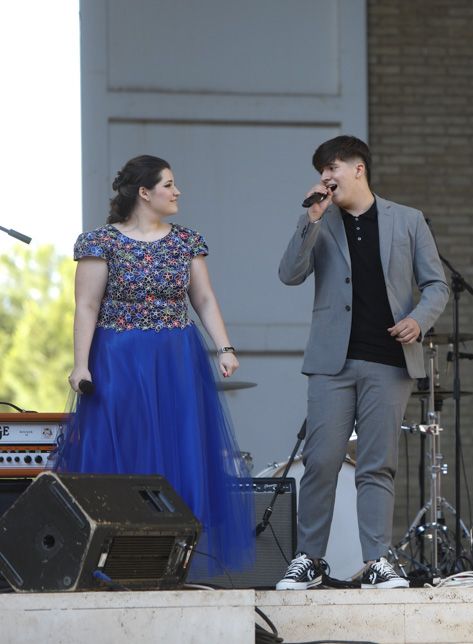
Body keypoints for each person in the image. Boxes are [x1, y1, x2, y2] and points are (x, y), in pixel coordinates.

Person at [56, 155, 254, 579]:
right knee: (124, 450)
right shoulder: (99, 242)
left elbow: (203, 300)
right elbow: (86, 306)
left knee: (179, 449)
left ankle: (171, 562)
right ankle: (117, 559)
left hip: (175, 358)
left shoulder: (187, 241)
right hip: (118, 358)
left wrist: (225, 348)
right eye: (168, 184)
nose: (176, 191)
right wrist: (81, 365)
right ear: (144, 193)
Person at [276, 135, 448, 590]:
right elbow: (289, 274)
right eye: (321, 170)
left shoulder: (407, 220)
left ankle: (377, 561)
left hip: (389, 362)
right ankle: (309, 558)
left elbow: (437, 285)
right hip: (331, 364)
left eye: (332, 166)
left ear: (359, 168)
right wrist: (310, 220)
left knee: (377, 465)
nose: (325, 177)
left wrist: (418, 320)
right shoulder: (320, 219)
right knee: (322, 461)